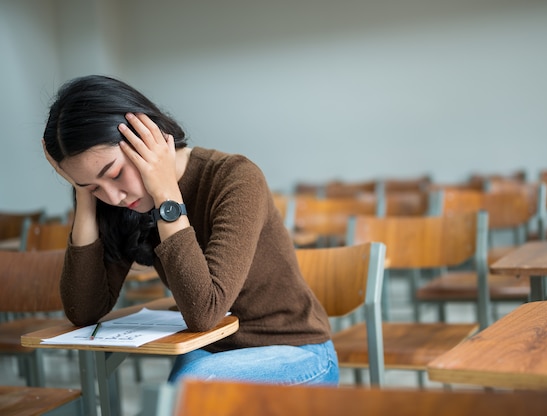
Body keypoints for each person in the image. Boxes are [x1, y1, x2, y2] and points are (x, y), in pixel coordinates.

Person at [42, 74, 339, 385]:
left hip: (296, 350)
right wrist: (84, 199)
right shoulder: (120, 202)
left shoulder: (236, 178)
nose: (114, 197)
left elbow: (204, 312)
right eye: (92, 187)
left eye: (115, 173)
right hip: (212, 351)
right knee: (184, 388)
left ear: (146, 137)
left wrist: (165, 194)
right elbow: (83, 311)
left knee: (187, 388)